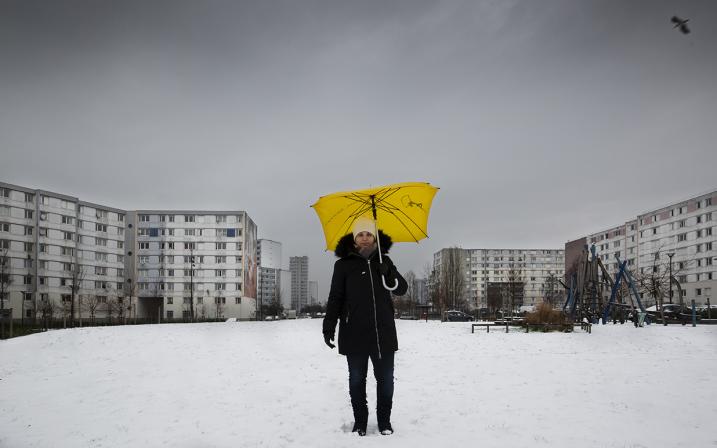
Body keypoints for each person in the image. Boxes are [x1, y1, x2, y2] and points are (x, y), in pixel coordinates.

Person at [322, 217, 408, 436]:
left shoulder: (384, 261)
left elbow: (401, 289)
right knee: (357, 380)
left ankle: (384, 422)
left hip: (383, 333)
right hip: (354, 332)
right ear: (354, 238)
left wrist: (387, 272)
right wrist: (329, 324)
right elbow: (336, 297)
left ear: (374, 236)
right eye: (360, 234)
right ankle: (360, 421)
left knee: (386, 381)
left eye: (368, 234)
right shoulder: (342, 265)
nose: (365, 238)